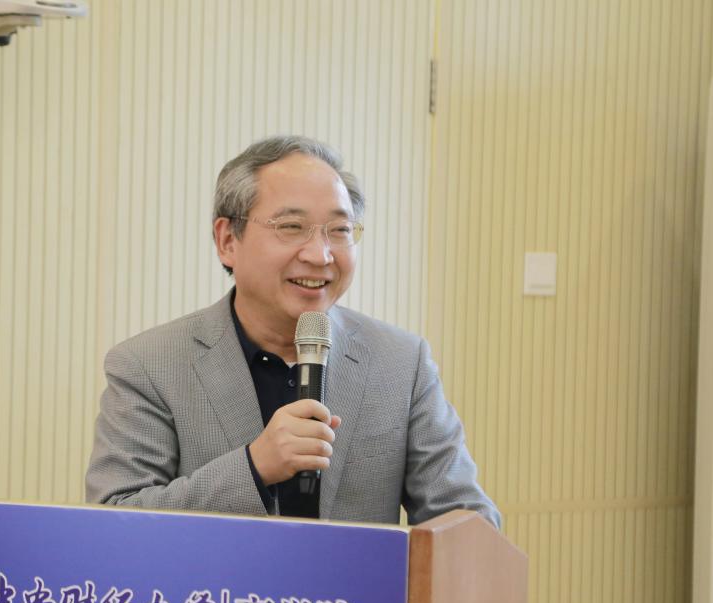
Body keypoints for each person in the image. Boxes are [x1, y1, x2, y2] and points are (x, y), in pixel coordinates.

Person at [86, 135, 500, 528]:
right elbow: (115, 519)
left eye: (340, 230)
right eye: (291, 227)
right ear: (228, 240)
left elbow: (467, 521)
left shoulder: (402, 363)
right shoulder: (148, 365)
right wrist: (254, 467)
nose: (320, 255)